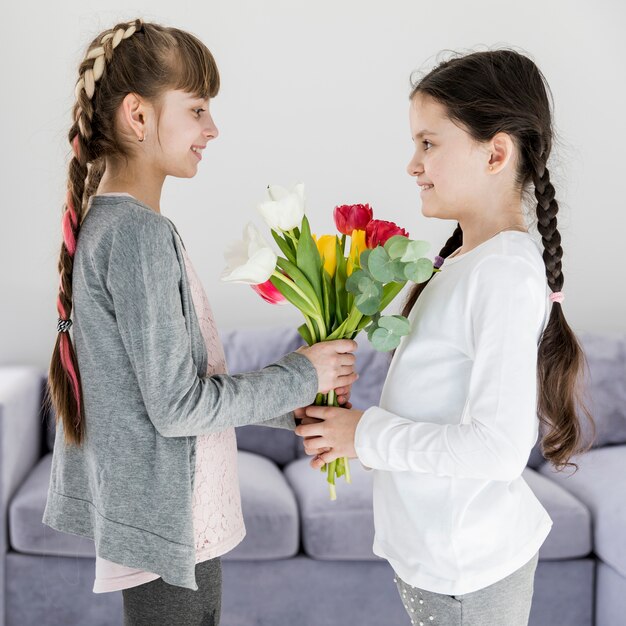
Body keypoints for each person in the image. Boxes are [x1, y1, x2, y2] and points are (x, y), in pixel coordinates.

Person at [43, 18, 357, 626]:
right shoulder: (137, 234)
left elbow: (170, 388)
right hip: (171, 521)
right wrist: (299, 373)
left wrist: (288, 406)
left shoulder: (118, 226)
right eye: (196, 109)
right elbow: (177, 407)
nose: (212, 129)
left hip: (170, 517)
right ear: (138, 117)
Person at [296, 49, 594, 626]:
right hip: (440, 562)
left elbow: (498, 449)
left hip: (469, 571)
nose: (413, 163)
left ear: (496, 153)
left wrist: (367, 435)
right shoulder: (463, 259)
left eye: (429, 143)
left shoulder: (503, 273)